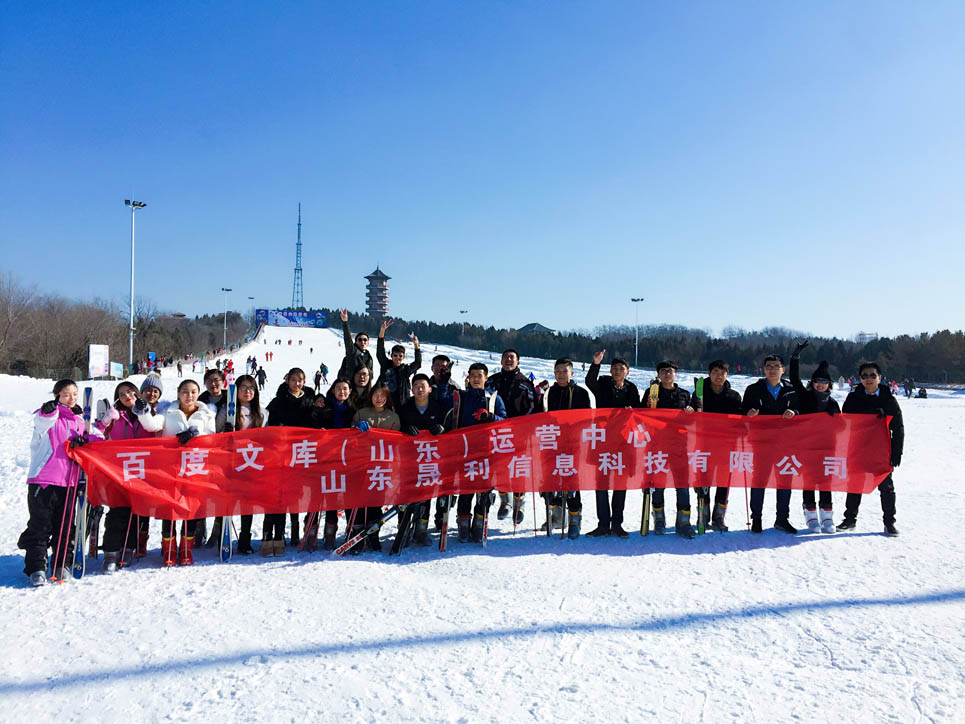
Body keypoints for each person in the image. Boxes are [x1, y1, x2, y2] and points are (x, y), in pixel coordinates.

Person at [18, 380, 103, 586]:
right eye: (66, 394)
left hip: (70, 481)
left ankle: (61, 562)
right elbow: (42, 423)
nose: (71, 398)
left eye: (74, 394)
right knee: (41, 525)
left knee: (64, 525)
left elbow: (98, 439)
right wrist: (48, 411)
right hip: (44, 480)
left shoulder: (80, 421)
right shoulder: (49, 415)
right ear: (57, 396)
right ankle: (37, 566)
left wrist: (87, 441)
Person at [99, 380, 164, 572]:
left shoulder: (150, 412)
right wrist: (105, 421)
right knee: (118, 510)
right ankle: (111, 551)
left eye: (130, 392)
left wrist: (143, 412)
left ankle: (129, 547)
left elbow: (154, 429)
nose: (127, 397)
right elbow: (95, 433)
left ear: (137, 393)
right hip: (118, 469)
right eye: (122, 395)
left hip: (143, 469)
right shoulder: (114, 415)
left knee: (137, 511)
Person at [837, 362, 903, 536]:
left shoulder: (889, 398)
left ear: (879, 378)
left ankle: (889, 522)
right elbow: (846, 420)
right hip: (858, 448)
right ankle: (850, 519)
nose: (868, 379)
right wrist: (871, 413)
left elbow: (898, 427)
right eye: (865, 375)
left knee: (886, 486)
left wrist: (897, 452)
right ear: (860, 379)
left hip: (881, 449)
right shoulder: (853, 397)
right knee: (854, 485)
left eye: (872, 375)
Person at [446, 363, 507, 543]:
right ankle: (463, 523)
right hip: (464, 451)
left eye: (480, 375)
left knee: (484, 490)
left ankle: (479, 522)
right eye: (473, 375)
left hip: (487, 452)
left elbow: (505, 421)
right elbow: (450, 416)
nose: (476, 378)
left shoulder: (494, 399)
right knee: (465, 490)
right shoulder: (461, 397)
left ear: (486, 378)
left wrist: (490, 417)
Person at [160, 380, 217, 565]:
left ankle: (186, 548)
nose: (189, 396)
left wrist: (195, 437)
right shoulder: (168, 412)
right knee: (170, 507)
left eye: (193, 392)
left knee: (190, 507)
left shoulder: (206, 414)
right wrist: (144, 412)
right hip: (171, 467)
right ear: (178, 393)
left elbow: (211, 438)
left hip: (195, 466)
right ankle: (168, 548)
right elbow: (153, 425)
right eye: (185, 392)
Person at [584, 349, 640, 537]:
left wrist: (632, 410)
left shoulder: (631, 389)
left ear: (627, 372)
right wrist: (596, 363)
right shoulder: (603, 383)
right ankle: (603, 524)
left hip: (623, 442)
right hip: (602, 440)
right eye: (614, 368)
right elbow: (589, 382)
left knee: (620, 484)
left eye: (621, 368)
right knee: (601, 484)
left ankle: (617, 523)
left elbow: (638, 412)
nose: (617, 371)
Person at [740, 354, 798, 534]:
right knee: (759, 481)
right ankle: (756, 518)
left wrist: (794, 411)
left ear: (783, 369)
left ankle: (782, 519)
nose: (772, 369)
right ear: (764, 369)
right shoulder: (753, 389)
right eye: (769, 366)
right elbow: (741, 412)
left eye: (776, 366)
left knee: (784, 481)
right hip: (761, 442)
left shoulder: (792, 389)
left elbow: (802, 410)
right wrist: (748, 413)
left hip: (786, 442)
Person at [788, 342, 840, 533]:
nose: (820, 384)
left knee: (825, 481)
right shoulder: (805, 395)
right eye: (817, 381)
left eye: (824, 381)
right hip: (806, 447)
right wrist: (796, 357)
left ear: (829, 384)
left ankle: (827, 516)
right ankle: (810, 515)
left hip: (827, 447)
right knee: (809, 481)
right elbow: (794, 379)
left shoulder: (833, 403)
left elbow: (842, 426)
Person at [265, 368, 317, 551]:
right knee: (283, 492)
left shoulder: (310, 399)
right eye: (294, 380)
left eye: (300, 380)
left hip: (304, 452)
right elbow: (271, 423)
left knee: (299, 492)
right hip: (284, 453)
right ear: (287, 381)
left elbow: (315, 421)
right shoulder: (279, 401)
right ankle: (280, 531)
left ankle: (297, 528)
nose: (297, 383)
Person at [541, 358, 592, 538]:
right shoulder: (548, 393)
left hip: (573, 445)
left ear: (572, 373)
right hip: (551, 444)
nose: (561, 375)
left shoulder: (580, 393)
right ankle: (556, 516)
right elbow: (540, 417)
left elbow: (587, 419)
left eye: (565, 371)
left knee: (571, 483)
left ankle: (574, 519)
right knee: (548, 481)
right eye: (558, 371)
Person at [645, 360, 696, 537]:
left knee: (682, 484)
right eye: (663, 371)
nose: (667, 374)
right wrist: (649, 406)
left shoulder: (684, 394)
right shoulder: (652, 392)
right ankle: (659, 518)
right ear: (658, 375)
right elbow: (642, 418)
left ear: (676, 374)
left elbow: (692, 421)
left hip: (679, 445)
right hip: (657, 445)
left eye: (670, 371)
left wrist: (690, 412)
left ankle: (684, 521)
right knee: (658, 484)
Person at [689, 360, 742, 531]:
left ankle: (719, 516)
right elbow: (692, 413)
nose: (719, 376)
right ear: (709, 373)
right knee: (703, 481)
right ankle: (702, 514)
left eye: (722, 372)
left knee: (723, 482)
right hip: (704, 444)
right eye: (715, 372)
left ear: (727, 375)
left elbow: (739, 421)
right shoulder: (700, 391)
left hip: (726, 446)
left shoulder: (734, 396)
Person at [486, 349, 536, 523]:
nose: (508, 360)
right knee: (500, 467)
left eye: (512, 358)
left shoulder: (525, 383)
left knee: (518, 467)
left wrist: (524, 426)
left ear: (518, 362)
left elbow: (532, 407)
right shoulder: (492, 381)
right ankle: (504, 501)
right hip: (496, 433)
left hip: (519, 432)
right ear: (501, 360)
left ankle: (519, 503)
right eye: (505, 357)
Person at [350, 383, 401, 553]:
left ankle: (373, 534)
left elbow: (397, 441)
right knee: (358, 499)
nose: (379, 399)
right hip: (361, 463)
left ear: (387, 398)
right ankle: (355, 534)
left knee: (375, 501)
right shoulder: (361, 413)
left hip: (381, 466)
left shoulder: (392, 417)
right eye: (376, 395)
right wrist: (356, 429)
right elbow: (348, 436)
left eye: (382, 395)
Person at [399, 374, 448, 546]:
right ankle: (403, 528)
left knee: (425, 494)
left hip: (430, 458)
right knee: (406, 493)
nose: (419, 389)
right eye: (416, 385)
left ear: (429, 389)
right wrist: (405, 429)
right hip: (409, 458)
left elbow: (448, 426)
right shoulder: (405, 408)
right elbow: (397, 428)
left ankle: (421, 529)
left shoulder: (437, 407)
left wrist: (442, 428)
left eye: (423, 385)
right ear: (411, 389)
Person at [307, 379, 356, 550]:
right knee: (317, 494)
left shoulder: (352, 410)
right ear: (333, 390)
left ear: (350, 391)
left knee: (333, 497)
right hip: (322, 457)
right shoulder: (323, 405)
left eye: (345, 389)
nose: (341, 392)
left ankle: (330, 532)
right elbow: (312, 422)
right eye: (338, 389)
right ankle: (310, 531)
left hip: (342, 459)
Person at [233, 374, 267, 554]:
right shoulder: (229, 410)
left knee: (247, 502)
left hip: (250, 462)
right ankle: (221, 534)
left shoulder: (261, 413)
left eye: (251, 388)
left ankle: (244, 539)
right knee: (227, 501)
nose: (247, 392)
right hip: (230, 461)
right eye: (243, 388)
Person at [375, 318, 422, 411]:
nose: (397, 358)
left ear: (404, 357)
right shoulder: (386, 365)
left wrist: (416, 345)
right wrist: (382, 332)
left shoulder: (405, 370)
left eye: (400, 356)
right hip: (384, 403)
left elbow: (417, 363)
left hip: (401, 405)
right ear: (391, 355)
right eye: (395, 355)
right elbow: (380, 352)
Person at [337, 308, 374, 381]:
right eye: (360, 340)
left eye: (365, 340)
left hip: (364, 388)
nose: (362, 342)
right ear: (356, 341)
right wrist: (345, 322)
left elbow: (371, 375)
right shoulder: (352, 352)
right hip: (351, 386)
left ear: (368, 342)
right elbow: (348, 340)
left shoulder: (369, 357)